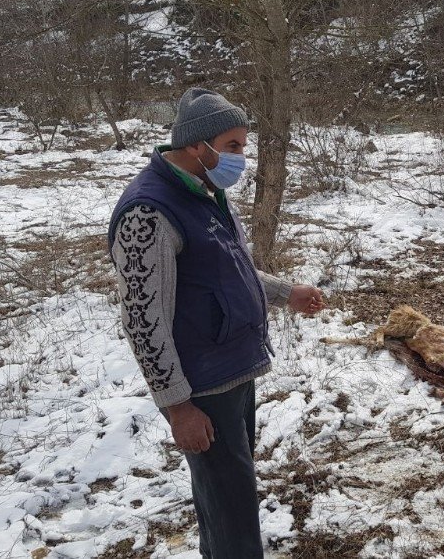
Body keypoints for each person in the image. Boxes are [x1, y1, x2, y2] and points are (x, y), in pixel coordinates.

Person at [107, 87, 325, 558]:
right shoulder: (148, 212)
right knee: (231, 513)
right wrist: (178, 406)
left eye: (243, 145)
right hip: (202, 386)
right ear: (195, 146)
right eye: (233, 146)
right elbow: (143, 320)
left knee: (231, 499)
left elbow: (227, 267)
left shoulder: (203, 189)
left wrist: (286, 293)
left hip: (233, 368)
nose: (241, 158)